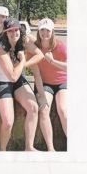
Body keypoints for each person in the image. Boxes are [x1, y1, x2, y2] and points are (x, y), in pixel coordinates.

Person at [0, 17, 44, 151]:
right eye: (10, 31)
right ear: (5, 32)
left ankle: (29, 147)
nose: (14, 33)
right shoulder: (1, 48)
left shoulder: (23, 39)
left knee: (33, 107)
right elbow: (12, 76)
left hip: (18, 79)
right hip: (2, 82)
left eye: (16, 30)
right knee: (8, 122)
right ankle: (2, 150)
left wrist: (23, 65)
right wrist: (22, 60)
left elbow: (40, 55)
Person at [30, 18, 67, 151]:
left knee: (63, 110)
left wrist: (52, 61)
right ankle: (51, 149)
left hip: (62, 82)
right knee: (44, 110)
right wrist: (42, 96)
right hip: (44, 83)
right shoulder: (34, 47)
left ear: (52, 32)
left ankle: (74, 145)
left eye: (48, 30)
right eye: (42, 30)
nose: (45, 33)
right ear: (38, 31)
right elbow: (36, 74)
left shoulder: (59, 46)